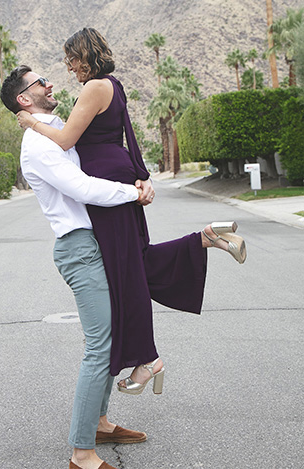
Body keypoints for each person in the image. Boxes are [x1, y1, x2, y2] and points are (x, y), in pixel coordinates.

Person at [13, 28, 246, 396]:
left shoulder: (95, 87)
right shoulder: (112, 84)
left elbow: (66, 139)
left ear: (85, 55)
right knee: (136, 262)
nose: (69, 67)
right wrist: (138, 175)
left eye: (72, 59)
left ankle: (148, 359)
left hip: (106, 179)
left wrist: (31, 123)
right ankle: (206, 238)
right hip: (114, 173)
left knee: (126, 271)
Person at [1, 65, 153, 469]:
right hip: (79, 247)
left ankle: (100, 422)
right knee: (99, 346)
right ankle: (81, 452)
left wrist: (138, 179)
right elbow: (81, 186)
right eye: (40, 82)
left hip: (98, 241)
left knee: (111, 335)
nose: (51, 84)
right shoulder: (37, 143)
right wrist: (132, 192)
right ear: (24, 98)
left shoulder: (56, 129)